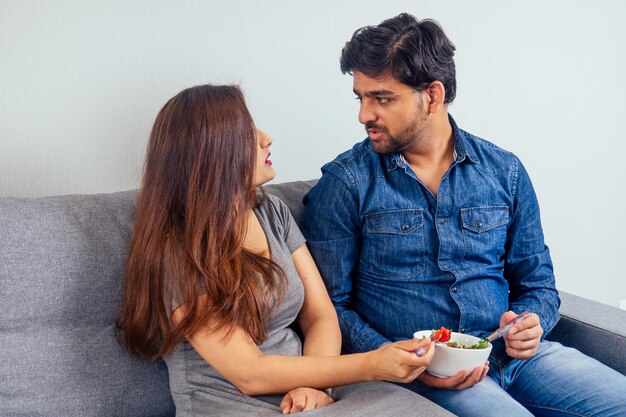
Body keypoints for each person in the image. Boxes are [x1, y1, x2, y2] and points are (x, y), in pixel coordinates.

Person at [300, 13, 626, 417]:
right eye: (360, 97)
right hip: (424, 373)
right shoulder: (346, 182)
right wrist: (396, 360)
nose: (364, 114)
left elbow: (538, 282)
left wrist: (531, 323)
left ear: (432, 96)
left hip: (515, 358)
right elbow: (328, 309)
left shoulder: (504, 171)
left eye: (382, 98)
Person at [115, 84, 443, 416]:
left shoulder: (269, 211)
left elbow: (320, 315)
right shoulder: (177, 251)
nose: (266, 137)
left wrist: (314, 386)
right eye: (246, 132)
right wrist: (373, 364)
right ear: (211, 153)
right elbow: (250, 373)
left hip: (303, 402)